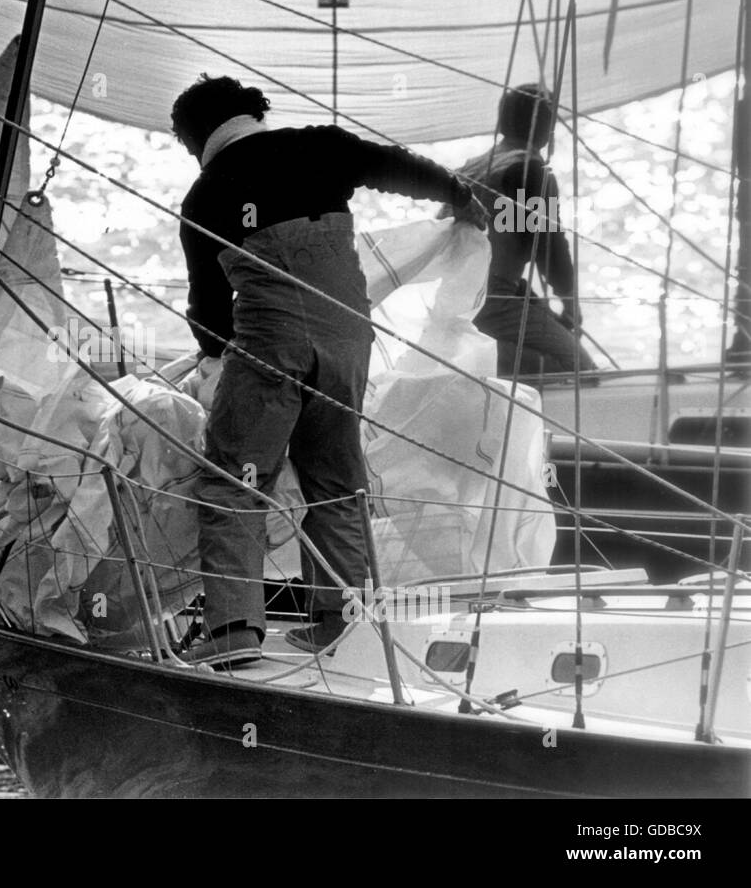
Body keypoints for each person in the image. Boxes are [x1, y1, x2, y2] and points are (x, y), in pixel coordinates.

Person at [172, 75, 488, 669]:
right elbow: (396, 167)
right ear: (253, 113)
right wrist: (457, 191)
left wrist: (216, 357)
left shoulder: (205, 194)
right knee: (337, 483)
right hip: (349, 342)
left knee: (234, 481)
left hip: (272, 347)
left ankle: (236, 629)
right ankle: (338, 625)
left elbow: (208, 310)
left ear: (195, 135)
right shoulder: (319, 144)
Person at [452, 83, 597, 378]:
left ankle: (470, 359)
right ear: (546, 126)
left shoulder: (471, 168)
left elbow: (494, 240)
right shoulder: (528, 170)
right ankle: (473, 363)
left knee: (544, 329)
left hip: (451, 296)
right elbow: (548, 247)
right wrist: (571, 304)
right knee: (579, 369)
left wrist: (531, 298)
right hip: (488, 301)